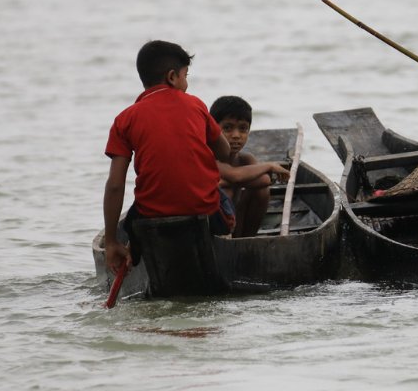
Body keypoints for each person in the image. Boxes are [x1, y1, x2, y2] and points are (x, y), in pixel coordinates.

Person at [102, 40, 232, 273]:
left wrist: (111, 241)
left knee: (133, 219)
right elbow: (224, 151)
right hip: (205, 211)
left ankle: (135, 253)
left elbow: (115, 185)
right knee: (226, 200)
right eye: (186, 76)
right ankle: (227, 244)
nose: (186, 83)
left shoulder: (125, 119)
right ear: (172, 77)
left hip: (151, 212)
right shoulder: (196, 105)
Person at [209, 96, 292, 238]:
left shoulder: (245, 159)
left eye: (243, 129)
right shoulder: (209, 157)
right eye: (227, 128)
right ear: (214, 129)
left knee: (262, 191)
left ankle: (247, 240)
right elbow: (235, 175)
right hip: (213, 226)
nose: (236, 136)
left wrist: (226, 181)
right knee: (226, 191)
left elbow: (264, 180)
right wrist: (269, 165)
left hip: (237, 225)